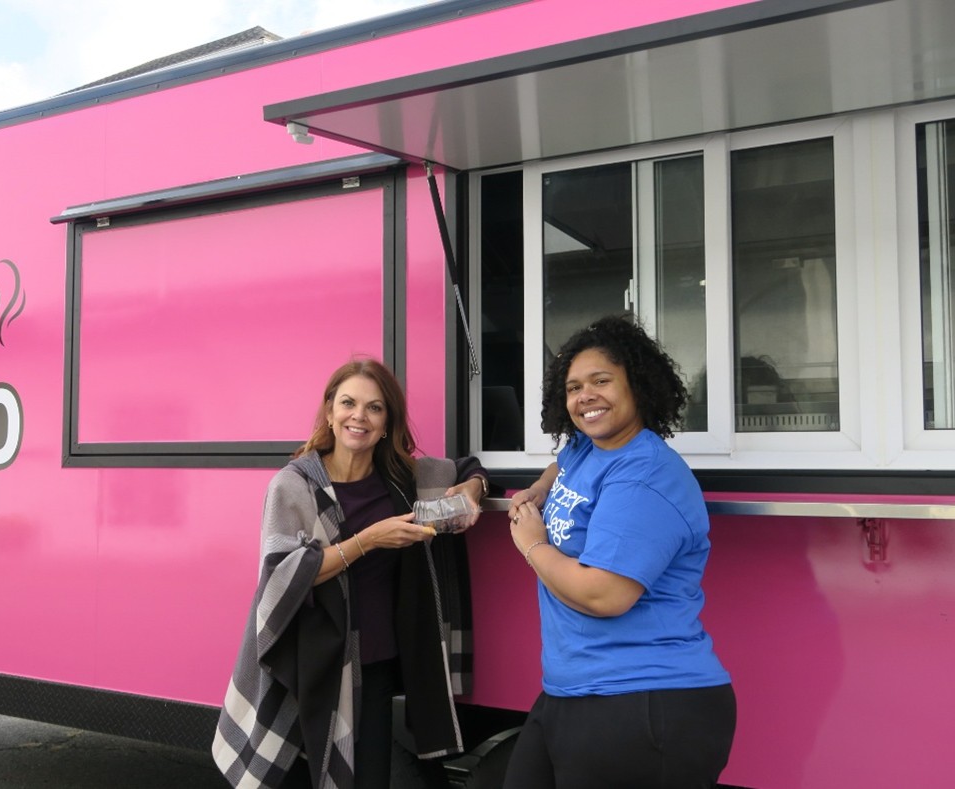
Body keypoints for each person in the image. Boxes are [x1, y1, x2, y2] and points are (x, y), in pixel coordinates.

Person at [212, 358, 489, 789]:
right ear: (329, 411)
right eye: (348, 403)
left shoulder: (403, 481)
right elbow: (281, 578)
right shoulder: (294, 485)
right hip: (311, 666)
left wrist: (473, 490)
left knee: (368, 780)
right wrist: (368, 540)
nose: (359, 416)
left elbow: (468, 469)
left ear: (387, 424)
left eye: (374, 408)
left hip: (375, 664)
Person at [505, 315, 736, 789]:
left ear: (637, 385)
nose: (585, 396)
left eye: (601, 381)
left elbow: (604, 595)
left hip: (646, 698)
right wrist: (541, 489)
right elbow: (560, 465)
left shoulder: (644, 475)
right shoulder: (590, 448)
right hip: (574, 689)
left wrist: (532, 543)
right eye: (573, 387)